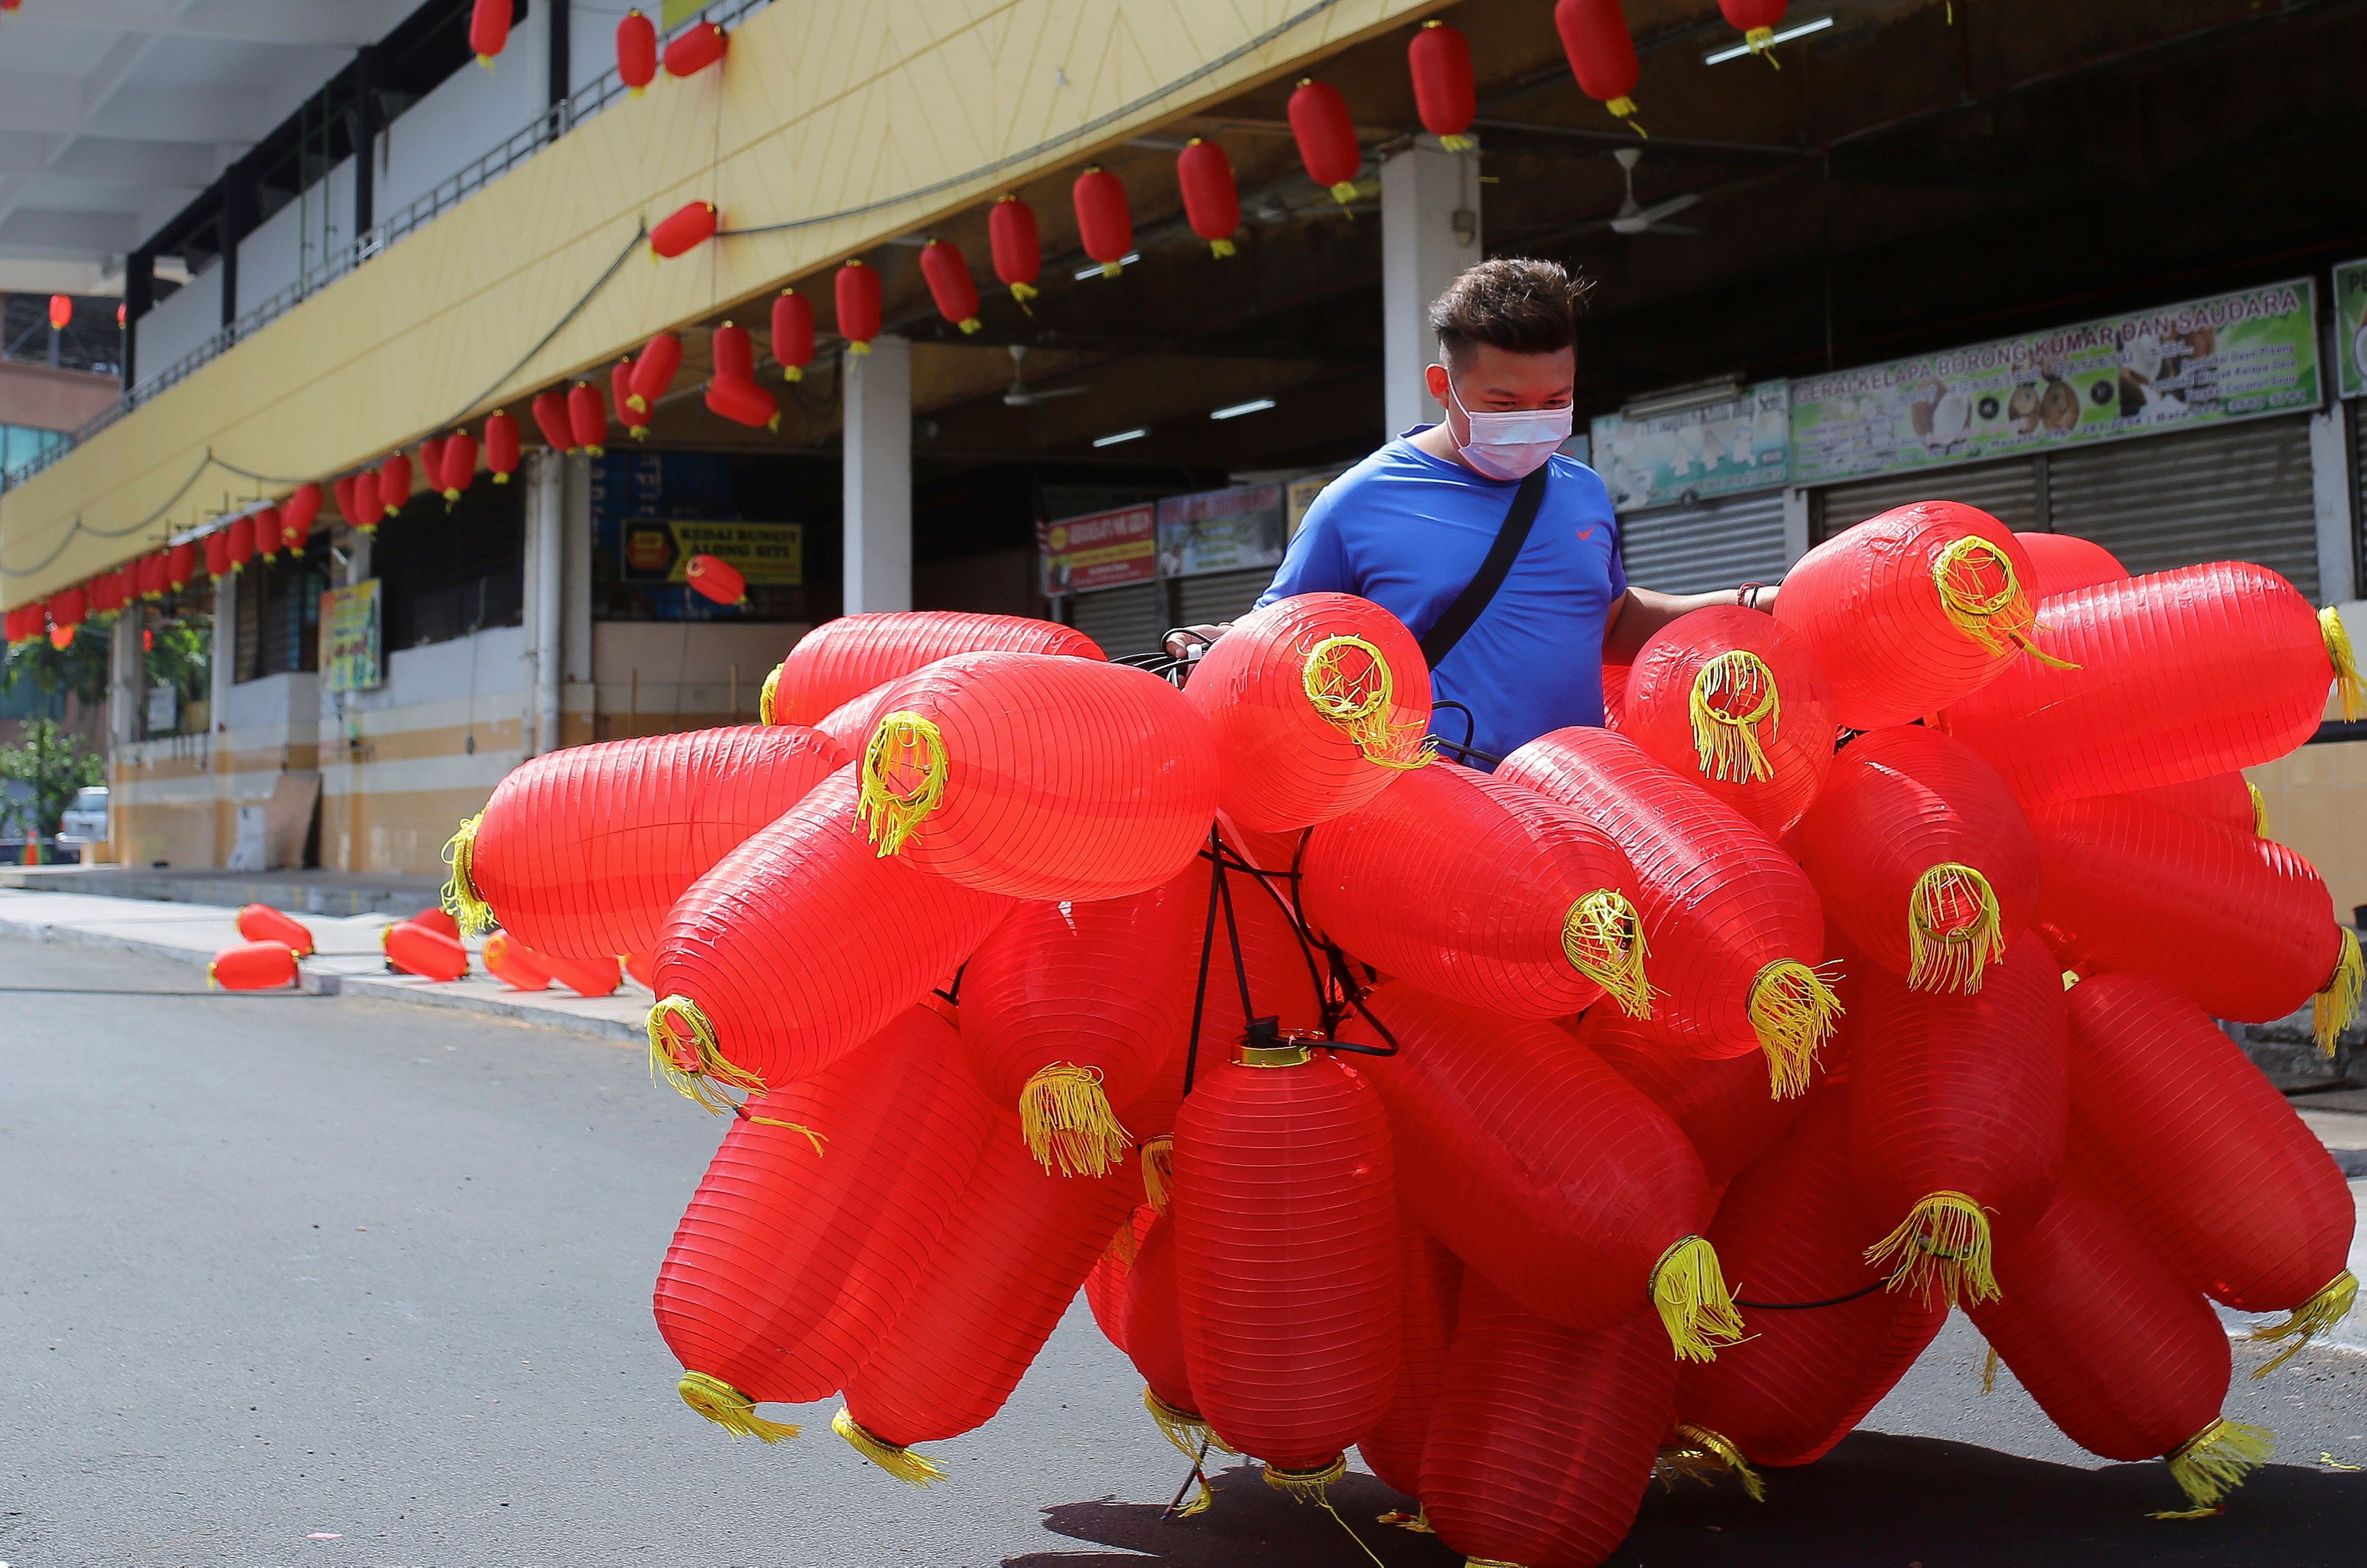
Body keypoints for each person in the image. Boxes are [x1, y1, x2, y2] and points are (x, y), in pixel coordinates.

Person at [1168, 257, 1776, 765]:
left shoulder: (1582, 491)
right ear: (1442, 385)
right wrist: (1220, 646)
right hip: (1437, 822)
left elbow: (1607, 624)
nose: (1532, 420)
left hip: (1579, 801)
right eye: (1503, 401)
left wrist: (1751, 606)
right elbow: (1279, 652)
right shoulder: (1357, 504)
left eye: (1555, 399)